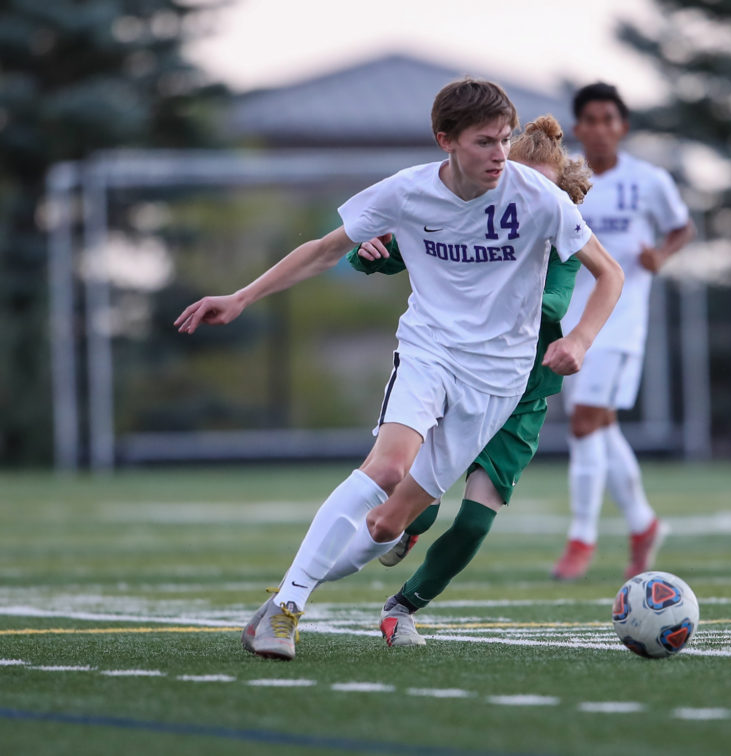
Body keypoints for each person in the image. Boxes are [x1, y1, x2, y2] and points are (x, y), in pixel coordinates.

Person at [175, 78, 623, 661]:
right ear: (446, 141)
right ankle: (287, 608)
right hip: (429, 352)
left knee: (388, 526)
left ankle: (287, 591)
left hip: (500, 381)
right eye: (486, 142)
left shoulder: (540, 200)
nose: (499, 154)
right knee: (386, 468)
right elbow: (325, 249)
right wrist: (241, 296)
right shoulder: (406, 192)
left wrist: (582, 341)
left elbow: (609, 273)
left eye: (504, 139)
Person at [347, 115, 591, 647]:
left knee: (476, 522)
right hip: (459, 376)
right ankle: (400, 531)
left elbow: (555, 300)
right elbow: (394, 253)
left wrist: (568, 334)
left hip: (520, 397)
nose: (519, 196)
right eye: (512, 178)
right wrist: (366, 255)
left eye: (538, 185)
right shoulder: (471, 218)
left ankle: (403, 607)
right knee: (419, 501)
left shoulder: (559, 235)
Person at [551, 82, 695, 582]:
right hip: (570, 320)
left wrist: (663, 254)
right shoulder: (563, 178)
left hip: (621, 322)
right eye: (588, 119)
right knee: (600, 425)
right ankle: (643, 524)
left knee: (585, 422)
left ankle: (582, 537)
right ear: (577, 128)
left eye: (608, 118)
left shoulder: (648, 179)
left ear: (622, 126)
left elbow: (682, 227)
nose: (598, 128)